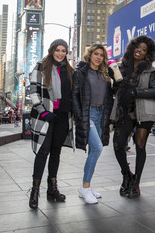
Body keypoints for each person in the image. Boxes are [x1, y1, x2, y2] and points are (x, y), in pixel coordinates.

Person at [110, 35, 155, 198]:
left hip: (144, 113)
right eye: (138, 47)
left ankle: (136, 183)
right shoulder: (121, 68)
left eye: (144, 50)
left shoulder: (150, 71)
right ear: (132, 48)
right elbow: (114, 90)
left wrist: (137, 92)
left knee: (140, 146)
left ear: (148, 54)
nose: (140, 51)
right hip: (125, 112)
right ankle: (127, 174)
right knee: (117, 144)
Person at [29, 39, 74, 209]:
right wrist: (43, 112)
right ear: (51, 50)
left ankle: (52, 188)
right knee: (43, 152)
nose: (61, 53)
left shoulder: (69, 70)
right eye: (58, 50)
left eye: (64, 50)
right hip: (46, 116)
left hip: (63, 116)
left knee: (56, 152)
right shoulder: (41, 67)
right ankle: (34, 190)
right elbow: (33, 91)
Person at [72, 44, 114, 204]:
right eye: (96, 54)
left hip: (100, 114)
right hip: (87, 114)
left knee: (93, 152)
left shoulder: (105, 74)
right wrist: (80, 116)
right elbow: (75, 95)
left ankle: (87, 187)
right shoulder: (80, 73)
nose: (98, 57)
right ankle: (85, 186)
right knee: (97, 148)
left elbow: (110, 95)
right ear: (90, 55)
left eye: (102, 55)